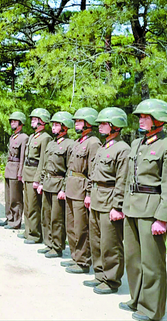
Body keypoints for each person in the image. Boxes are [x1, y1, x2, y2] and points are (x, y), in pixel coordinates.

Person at [121, 99, 167, 321]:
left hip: (151, 210)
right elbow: (128, 179)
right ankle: (136, 299)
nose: (141, 120)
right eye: (140, 117)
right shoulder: (137, 144)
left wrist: (162, 219)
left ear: (159, 120)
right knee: (133, 259)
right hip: (132, 207)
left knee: (152, 263)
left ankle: (152, 310)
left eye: (145, 117)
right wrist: (124, 204)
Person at [85, 107, 129, 295]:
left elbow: (122, 180)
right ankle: (100, 274)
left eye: (104, 123)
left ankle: (111, 280)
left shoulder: (122, 149)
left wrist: (117, 206)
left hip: (110, 198)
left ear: (115, 126)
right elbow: (93, 172)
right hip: (96, 197)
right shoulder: (104, 147)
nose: (100, 127)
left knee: (110, 242)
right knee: (96, 240)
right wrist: (89, 193)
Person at [62, 108, 101, 273]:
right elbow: (69, 167)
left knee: (81, 228)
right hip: (71, 186)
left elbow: (93, 171)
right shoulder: (78, 141)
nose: (76, 124)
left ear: (88, 123)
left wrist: (89, 193)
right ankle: (75, 257)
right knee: (70, 226)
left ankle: (83, 261)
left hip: (81, 188)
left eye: (79, 121)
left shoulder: (93, 143)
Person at [36, 112, 75, 258]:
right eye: (53, 124)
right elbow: (44, 165)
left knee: (56, 218)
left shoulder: (69, 145)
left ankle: (57, 246)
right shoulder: (51, 143)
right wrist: (40, 182)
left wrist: (64, 188)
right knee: (46, 215)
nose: (53, 127)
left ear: (65, 127)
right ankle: (49, 243)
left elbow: (69, 169)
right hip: (47, 182)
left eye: (57, 124)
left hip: (58, 183)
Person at [20, 108, 52, 245]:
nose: (32, 121)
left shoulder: (45, 138)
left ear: (43, 122)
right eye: (32, 119)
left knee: (34, 206)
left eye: (35, 119)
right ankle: (28, 230)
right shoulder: (33, 136)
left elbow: (43, 160)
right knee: (27, 205)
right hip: (27, 171)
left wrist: (38, 179)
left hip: (34, 172)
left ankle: (34, 234)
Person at [0, 112, 28, 230]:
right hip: (9, 168)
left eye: (15, 121)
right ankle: (9, 217)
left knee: (15, 198)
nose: (12, 123)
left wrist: (20, 172)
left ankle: (16, 221)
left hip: (16, 168)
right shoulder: (13, 137)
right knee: (8, 196)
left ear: (21, 124)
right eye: (11, 121)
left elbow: (22, 157)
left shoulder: (24, 137)